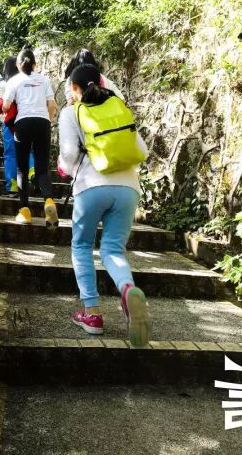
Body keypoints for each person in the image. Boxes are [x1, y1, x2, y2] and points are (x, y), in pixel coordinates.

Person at [57, 63, 151, 348]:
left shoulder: (71, 112)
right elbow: (142, 150)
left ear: (73, 88)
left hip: (91, 186)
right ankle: (127, 289)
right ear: (101, 82)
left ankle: (92, 314)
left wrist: (64, 168)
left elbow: (69, 155)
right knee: (113, 250)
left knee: (82, 246)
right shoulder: (118, 107)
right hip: (128, 187)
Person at [2, 48, 58, 227]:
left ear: (18, 65)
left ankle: (25, 212)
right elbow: (52, 105)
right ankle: (49, 201)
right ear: (35, 64)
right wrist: (48, 120)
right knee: (42, 169)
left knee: (22, 169)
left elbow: (6, 106)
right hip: (42, 123)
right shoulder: (44, 79)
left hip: (23, 124)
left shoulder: (14, 80)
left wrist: (6, 109)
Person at [0, 56, 34, 193]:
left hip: (9, 123)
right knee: (28, 149)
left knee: (10, 154)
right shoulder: (27, 81)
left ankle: (12, 186)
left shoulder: (4, 84)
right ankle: (32, 172)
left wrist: (2, 117)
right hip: (26, 120)